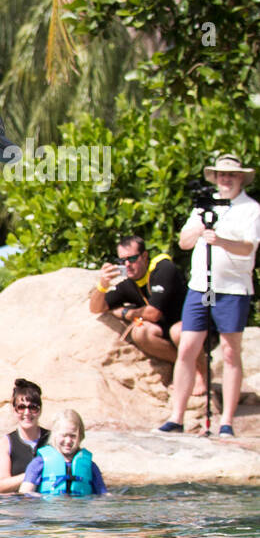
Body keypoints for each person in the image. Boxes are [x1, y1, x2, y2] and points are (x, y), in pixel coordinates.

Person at [161, 154, 260, 436]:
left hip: (233, 289)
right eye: (221, 174)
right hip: (201, 286)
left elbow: (247, 248)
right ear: (215, 177)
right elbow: (183, 242)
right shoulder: (202, 205)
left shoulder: (250, 209)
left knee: (230, 351)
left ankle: (226, 422)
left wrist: (222, 240)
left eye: (232, 174)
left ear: (241, 177)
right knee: (188, 348)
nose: (226, 179)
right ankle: (176, 417)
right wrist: (200, 228)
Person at [89, 234, 189, 380]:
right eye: (122, 261)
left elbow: (153, 313)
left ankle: (200, 372)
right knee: (140, 332)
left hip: (187, 325)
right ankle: (184, 365)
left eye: (132, 259)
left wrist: (125, 312)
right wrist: (102, 285)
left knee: (178, 332)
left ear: (144, 256)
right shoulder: (128, 283)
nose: (127, 264)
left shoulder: (162, 268)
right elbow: (96, 308)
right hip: (163, 330)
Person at [20, 410, 108, 496]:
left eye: (73, 436)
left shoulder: (90, 466)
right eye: (64, 435)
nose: (68, 441)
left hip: (80, 509)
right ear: (55, 435)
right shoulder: (39, 463)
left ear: (81, 436)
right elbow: (25, 493)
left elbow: (103, 495)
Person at [0, 378, 50, 493]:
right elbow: (1, 485)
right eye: (21, 407)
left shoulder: (52, 439)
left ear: (40, 410)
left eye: (33, 407)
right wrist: (32, 473)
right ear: (14, 410)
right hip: (18, 507)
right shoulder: (6, 443)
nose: (27, 413)